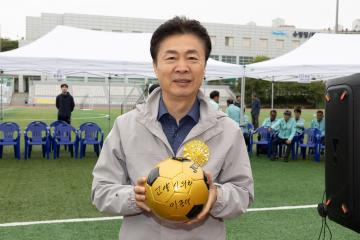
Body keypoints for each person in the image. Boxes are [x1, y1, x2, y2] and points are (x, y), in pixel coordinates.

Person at [91, 16, 254, 240]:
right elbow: (100, 190)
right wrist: (135, 196)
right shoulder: (126, 125)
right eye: (171, 58)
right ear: (155, 67)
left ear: (204, 66)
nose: (182, 68)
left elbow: (243, 193)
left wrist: (216, 196)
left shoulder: (228, 130)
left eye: (192, 58)